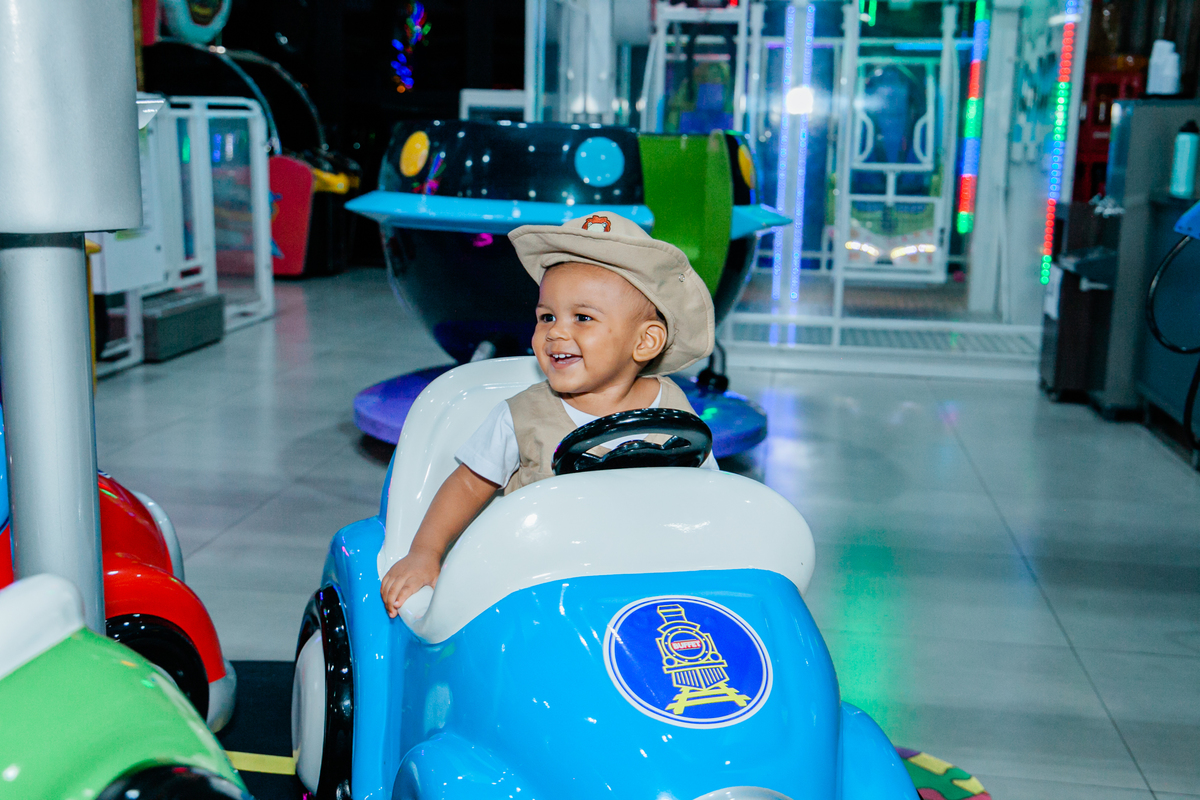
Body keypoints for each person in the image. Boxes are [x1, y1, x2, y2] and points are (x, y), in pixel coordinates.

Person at [380, 211, 717, 617]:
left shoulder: (674, 411)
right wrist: (425, 552)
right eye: (547, 317)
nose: (555, 332)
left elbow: (707, 493)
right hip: (535, 584)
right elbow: (469, 485)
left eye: (583, 317)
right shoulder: (522, 417)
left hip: (639, 580)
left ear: (645, 341)